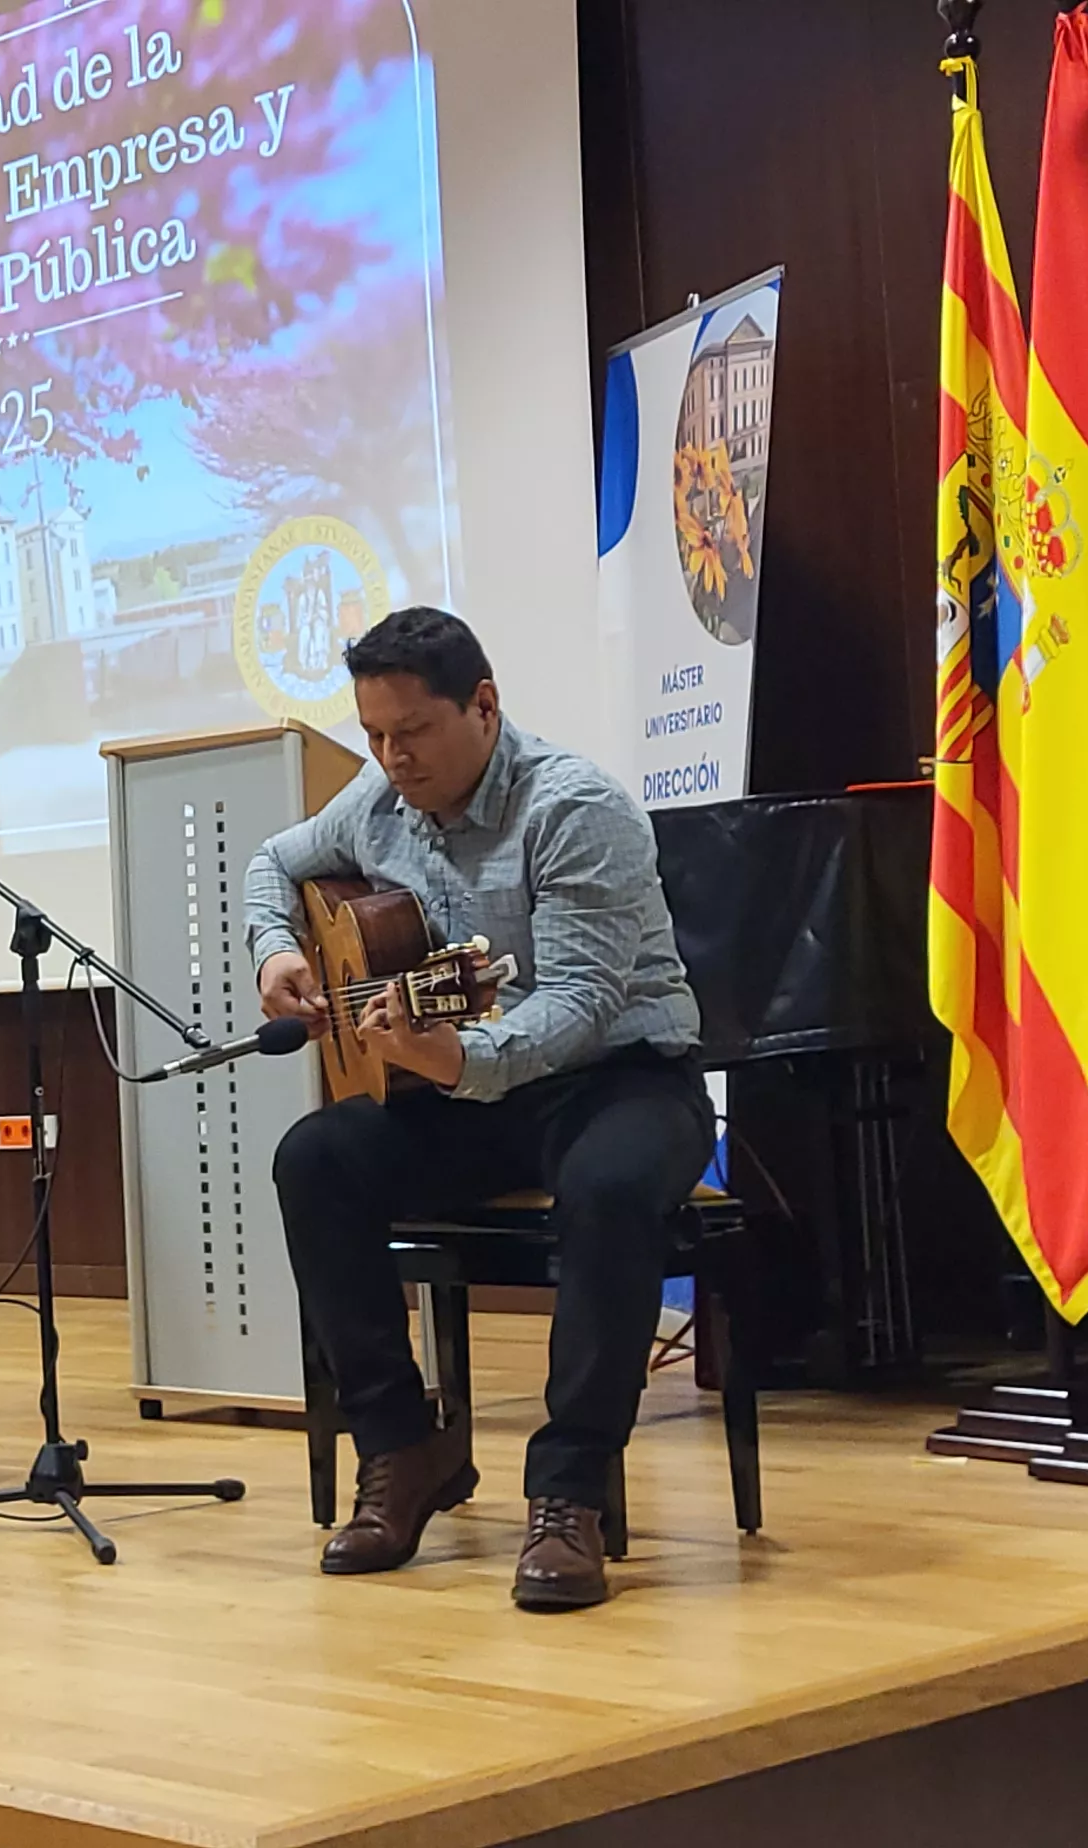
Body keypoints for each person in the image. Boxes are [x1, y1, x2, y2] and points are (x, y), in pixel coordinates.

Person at [247, 606, 709, 1612]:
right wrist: (276, 952)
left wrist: (455, 1060)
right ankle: (402, 1449)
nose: (388, 756)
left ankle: (568, 1493)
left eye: (409, 731)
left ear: (484, 706)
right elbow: (272, 864)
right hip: (469, 1083)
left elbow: (582, 1007)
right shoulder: (377, 805)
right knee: (314, 1161)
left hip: (620, 1077)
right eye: (372, 734)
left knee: (608, 1184)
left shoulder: (575, 807)